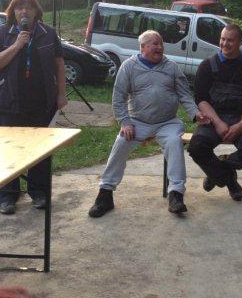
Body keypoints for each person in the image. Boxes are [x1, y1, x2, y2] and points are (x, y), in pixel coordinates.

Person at [88, 30, 208, 217]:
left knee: (174, 143)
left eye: (161, 44)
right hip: (137, 121)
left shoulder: (172, 67)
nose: (159, 47)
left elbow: (185, 95)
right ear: (142, 47)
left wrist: (195, 113)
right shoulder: (128, 67)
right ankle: (105, 194)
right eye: (154, 44)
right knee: (121, 142)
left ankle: (176, 194)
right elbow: (118, 98)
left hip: (168, 122)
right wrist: (125, 122)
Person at [0, 0, 68, 215]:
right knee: (9, 150)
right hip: (8, 101)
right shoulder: (2, 33)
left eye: (29, 7)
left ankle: (39, 193)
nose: (24, 11)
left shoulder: (48, 33)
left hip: (42, 102)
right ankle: (8, 196)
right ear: (13, 12)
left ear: (36, 11)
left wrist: (61, 94)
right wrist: (16, 45)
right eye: (19, 7)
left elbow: (59, 64)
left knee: (40, 150)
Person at [187, 23, 242, 201]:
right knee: (197, 147)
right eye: (222, 39)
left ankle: (217, 171)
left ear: (240, 42)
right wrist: (218, 123)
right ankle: (229, 180)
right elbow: (201, 99)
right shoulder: (207, 65)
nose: (225, 44)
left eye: (230, 40)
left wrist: (240, 126)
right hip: (214, 119)